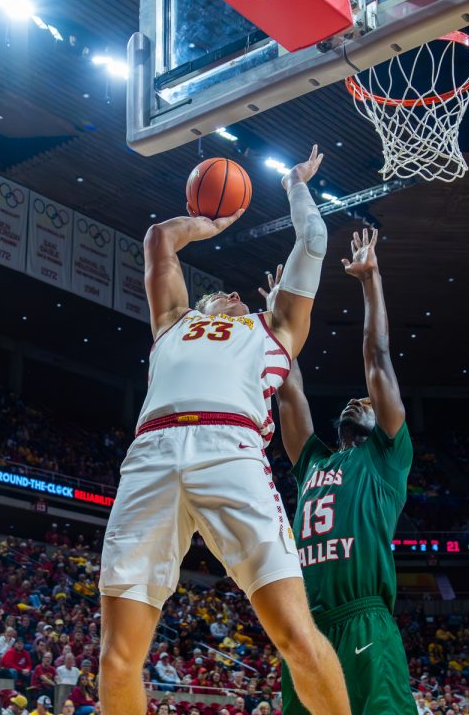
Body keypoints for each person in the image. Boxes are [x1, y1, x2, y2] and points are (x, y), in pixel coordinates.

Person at [99, 146, 348, 715]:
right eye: (220, 291)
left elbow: (312, 243)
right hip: (151, 457)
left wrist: (294, 186)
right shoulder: (172, 323)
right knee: (117, 658)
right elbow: (161, 238)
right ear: (201, 301)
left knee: (294, 638)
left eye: (240, 295)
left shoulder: (275, 329)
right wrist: (206, 224)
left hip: (231, 452)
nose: (232, 293)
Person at [266, 228, 415, 714]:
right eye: (354, 401)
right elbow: (288, 387)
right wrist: (277, 320)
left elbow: (377, 357)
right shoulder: (313, 461)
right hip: (307, 628)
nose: (360, 399)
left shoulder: (385, 457)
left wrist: (371, 280)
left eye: (369, 403)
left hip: (364, 619)